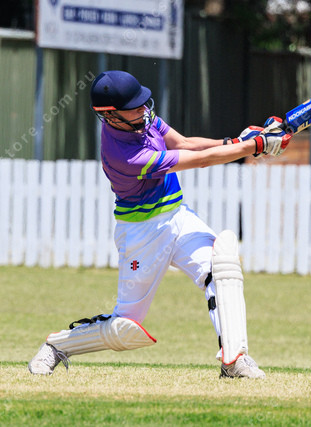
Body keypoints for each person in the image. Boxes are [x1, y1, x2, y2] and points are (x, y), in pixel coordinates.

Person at [28, 70, 291, 378]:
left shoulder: (142, 119)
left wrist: (235, 141)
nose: (143, 109)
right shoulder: (125, 155)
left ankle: (234, 360)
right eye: (134, 107)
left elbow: (186, 143)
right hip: (142, 233)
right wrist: (255, 146)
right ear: (110, 115)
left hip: (178, 216)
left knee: (221, 269)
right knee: (125, 326)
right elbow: (200, 161)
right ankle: (57, 346)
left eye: (142, 102)